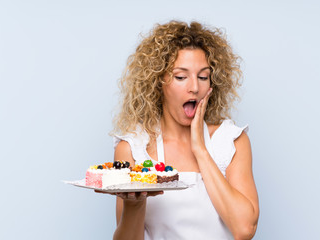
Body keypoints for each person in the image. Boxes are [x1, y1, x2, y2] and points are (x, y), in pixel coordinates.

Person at [107, 20, 259, 240]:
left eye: (203, 76)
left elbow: (244, 229)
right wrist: (135, 202)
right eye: (181, 77)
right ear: (158, 81)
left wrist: (200, 149)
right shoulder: (133, 149)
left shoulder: (232, 142)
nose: (195, 87)